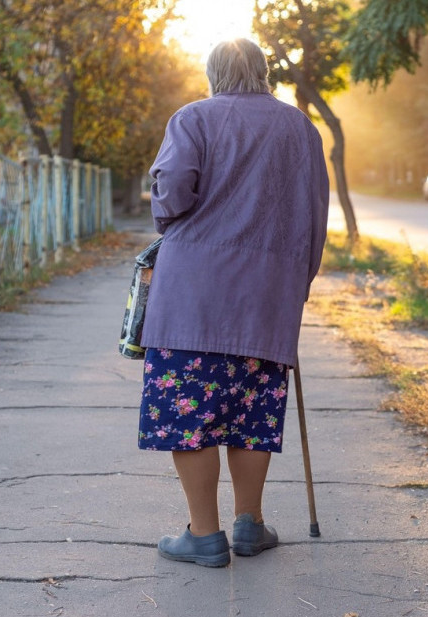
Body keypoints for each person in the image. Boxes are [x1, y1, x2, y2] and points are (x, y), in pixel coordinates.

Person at [137, 38, 329, 568]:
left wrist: (165, 213)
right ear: (264, 74)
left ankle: (204, 534)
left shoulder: (193, 118)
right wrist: (298, 284)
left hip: (193, 295)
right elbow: (315, 215)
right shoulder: (301, 129)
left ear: (212, 73)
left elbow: (173, 190)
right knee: (251, 412)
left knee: (191, 413)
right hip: (268, 296)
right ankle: (250, 525)